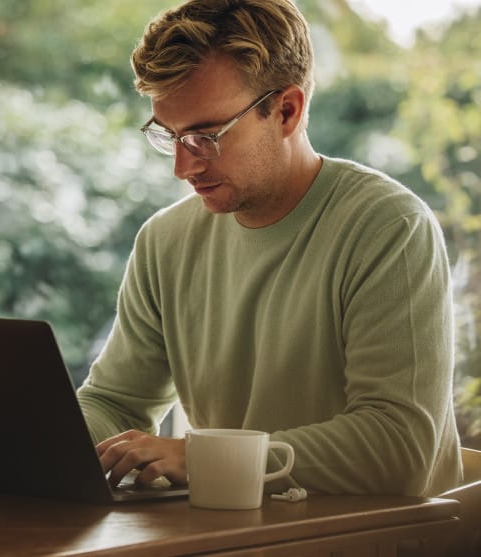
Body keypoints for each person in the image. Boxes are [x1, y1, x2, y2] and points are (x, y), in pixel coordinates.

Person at [76, 0, 462, 496]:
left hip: (374, 539)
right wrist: (28, 443)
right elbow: (115, 403)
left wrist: (202, 457)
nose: (182, 167)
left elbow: (397, 448)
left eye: (204, 136)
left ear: (286, 111)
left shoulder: (389, 227)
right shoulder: (163, 241)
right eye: (169, 136)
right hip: (235, 533)